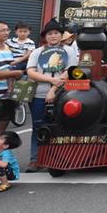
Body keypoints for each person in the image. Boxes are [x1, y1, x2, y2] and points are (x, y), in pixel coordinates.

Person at [25, 18, 77, 172]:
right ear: (45, 36)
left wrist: (52, 89)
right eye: (50, 34)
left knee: (61, 126)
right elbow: (30, 72)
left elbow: (70, 70)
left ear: (61, 35)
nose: (53, 36)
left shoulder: (69, 51)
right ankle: (36, 159)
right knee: (38, 126)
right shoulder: (37, 52)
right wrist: (51, 79)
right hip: (39, 94)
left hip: (62, 94)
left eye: (56, 33)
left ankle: (58, 159)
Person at [0, 21, 23, 140]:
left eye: (7, 30)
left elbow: (11, 66)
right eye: (2, 30)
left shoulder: (8, 48)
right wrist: (14, 73)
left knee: (1, 128)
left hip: (9, 95)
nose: (6, 32)